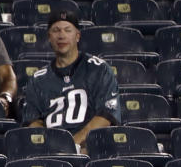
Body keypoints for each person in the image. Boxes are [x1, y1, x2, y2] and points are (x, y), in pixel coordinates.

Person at [21, 10, 121, 155]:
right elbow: (32, 120)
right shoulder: (39, 79)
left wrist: (72, 145)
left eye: (67, 30)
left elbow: (106, 115)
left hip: (90, 147)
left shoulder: (98, 69)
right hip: (51, 153)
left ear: (77, 36)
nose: (61, 35)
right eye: (56, 30)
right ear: (49, 37)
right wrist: (49, 146)